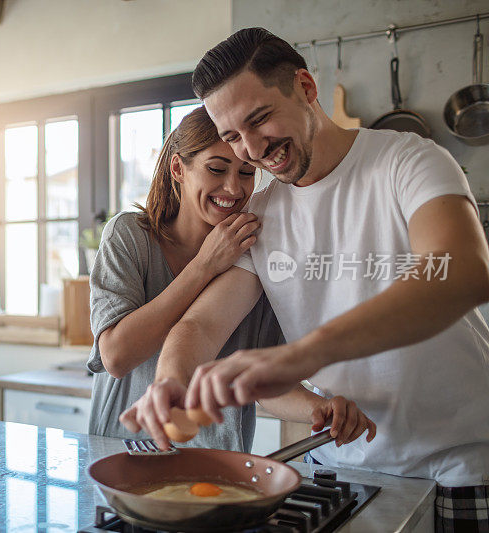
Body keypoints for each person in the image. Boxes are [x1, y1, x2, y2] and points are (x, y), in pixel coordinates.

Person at [120, 28, 489, 532]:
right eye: (231, 136)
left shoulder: (409, 160)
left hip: (456, 468)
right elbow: (201, 327)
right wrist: (170, 382)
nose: (250, 150)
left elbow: (461, 271)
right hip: (340, 467)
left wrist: (301, 356)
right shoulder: (263, 212)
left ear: (305, 88)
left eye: (259, 119)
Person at [90, 106, 375, 452]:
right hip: (123, 448)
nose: (233, 188)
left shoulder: (257, 246)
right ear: (178, 168)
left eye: (245, 172)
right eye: (216, 169)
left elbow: (262, 380)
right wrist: (204, 266)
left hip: (216, 462)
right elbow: (116, 357)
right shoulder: (129, 236)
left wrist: (319, 408)